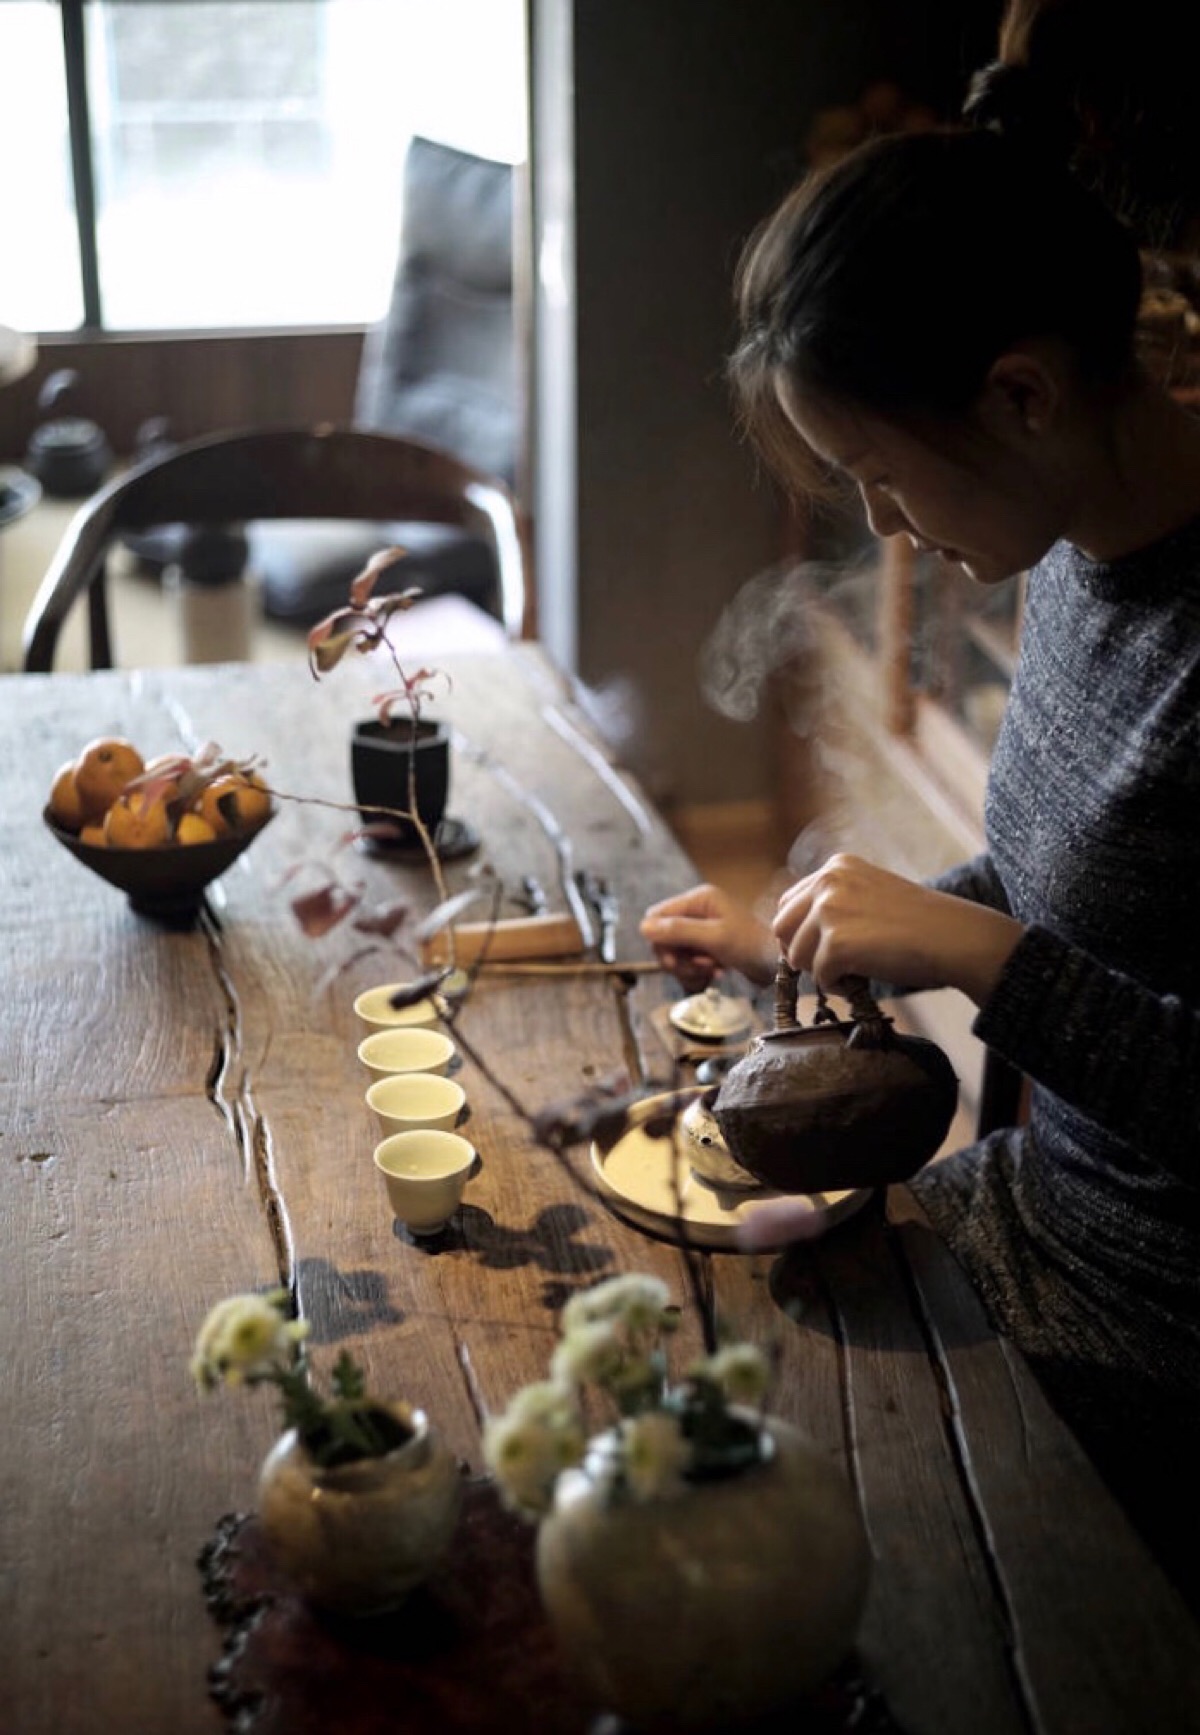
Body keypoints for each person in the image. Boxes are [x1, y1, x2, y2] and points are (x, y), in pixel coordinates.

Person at [640, 122, 1200, 1603]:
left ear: (1021, 392)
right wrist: (830, 930)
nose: (882, 526)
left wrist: (984, 959)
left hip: (1164, 1341)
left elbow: (1054, 962)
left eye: (880, 475)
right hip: (1038, 1220)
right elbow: (1091, 892)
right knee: (668, 1369)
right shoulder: (1090, 551)